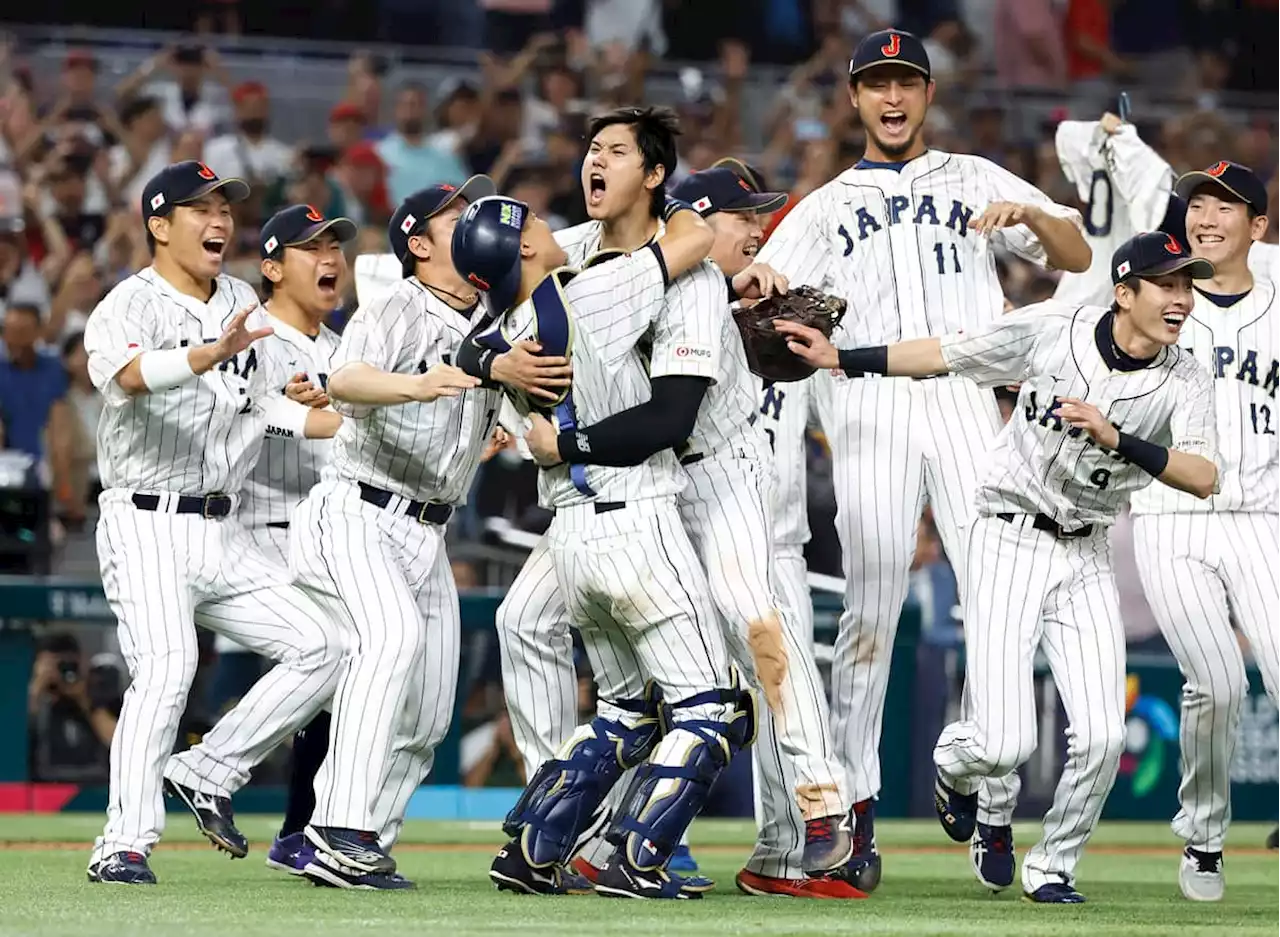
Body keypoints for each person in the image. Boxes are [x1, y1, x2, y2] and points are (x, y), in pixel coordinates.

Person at [778, 230, 1219, 903]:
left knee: (1102, 735)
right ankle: (957, 769)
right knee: (1003, 741)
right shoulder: (1054, 330)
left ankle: (1053, 866)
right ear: (1124, 292)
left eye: (1189, 284)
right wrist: (843, 355)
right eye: (1168, 283)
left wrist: (1117, 437)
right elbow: (946, 354)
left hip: (1087, 548)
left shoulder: (1185, 373)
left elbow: (1204, 474)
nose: (1182, 298)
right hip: (1010, 531)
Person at [752, 28, 1091, 886]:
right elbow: (760, 300)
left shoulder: (976, 177)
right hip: (866, 405)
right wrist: (756, 291)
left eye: (906, 82)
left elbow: (1079, 257)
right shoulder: (825, 206)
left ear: (928, 94)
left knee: (999, 605)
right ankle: (855, 816)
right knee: (870, 612)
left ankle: (992, 792)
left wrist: (1040, 217)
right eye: (876, 85)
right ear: (856, 98)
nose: (892, 98)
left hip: (968, 399)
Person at [544, 162, 864, 899]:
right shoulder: (629, 261)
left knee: (759, 621)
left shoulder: (744, 287)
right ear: (691, 216)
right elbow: (553, 262)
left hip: (717, 477)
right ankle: (603, 835)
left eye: (762, 216)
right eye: (743, 214)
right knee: (595, 652)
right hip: (633, 486)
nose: (759, 228)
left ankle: (822, 804)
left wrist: (736, 285)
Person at [452, 190, 754, 900]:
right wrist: (657, 190)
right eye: (533, 222)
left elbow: (470, 356)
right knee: (711, 707)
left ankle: (535, 845)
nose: (552, 226)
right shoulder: (592, 292)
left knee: (624, 713)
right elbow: (690, 237)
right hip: (637, 516)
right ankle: (640, 857)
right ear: (524, 248)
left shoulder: (499, 332)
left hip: (573, 535)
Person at [81, 160, 348, 886]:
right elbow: (128, 377)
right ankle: (123, 843)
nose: (220, 219)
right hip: (146, 519)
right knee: (167, 669)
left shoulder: (237, 298)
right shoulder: (127, 304)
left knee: (326, 642)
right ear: (159, 225)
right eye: (200, 208)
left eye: (225, 206)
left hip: (220, 530)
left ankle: (208, 766)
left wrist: (349, 424)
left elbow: (271, 409)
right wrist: (209, 353)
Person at [285, 177, 530, 890]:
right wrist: (421, 385)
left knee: (426, 713)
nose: (476, 219)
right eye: (457, 216)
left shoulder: (494, 321)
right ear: (419, 243)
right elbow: (347, 377)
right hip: (361, 507)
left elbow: (509, 418)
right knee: (386, 641)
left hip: (428, 529)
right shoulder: (396, 302)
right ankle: (337, 828)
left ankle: (366, 843)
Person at [1129, 162, 1280, 902]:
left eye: (1227, 205)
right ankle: (1205, 833)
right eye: (1198, 203)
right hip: (1171, 516)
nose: (1206, 216)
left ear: (1259, 225)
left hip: (1263, 517)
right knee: (1217, 680)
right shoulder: (1157, 287)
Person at [1053, 107, 1181, 306]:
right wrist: (1117, 136)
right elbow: (1067, 135)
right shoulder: (1152, 189)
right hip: (1092, 291)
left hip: (1100, 294)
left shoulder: (1164, 198)